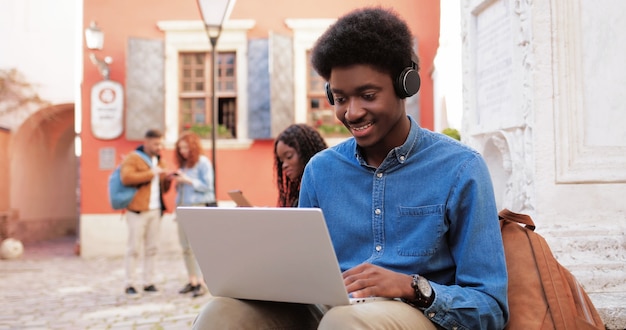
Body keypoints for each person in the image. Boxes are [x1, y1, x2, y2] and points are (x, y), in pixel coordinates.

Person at [192, 7, 509, 330]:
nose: (352, 112)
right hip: (330, 310)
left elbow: (490, 307)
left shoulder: (461, 168)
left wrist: (412, 287)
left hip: (415, 314)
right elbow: (301, 274)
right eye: (340, 99)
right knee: (221, 313)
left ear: (405, 85)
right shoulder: (320, 170)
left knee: (344, 323)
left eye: (367, 95)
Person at [120, 128, 172, 296]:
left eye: (161, 143)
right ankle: (130, 283)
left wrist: (168, 179)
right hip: (137, 211)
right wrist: (151, 173)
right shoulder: (133, 158)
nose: (159, 146)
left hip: (155, 210)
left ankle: (149, 282)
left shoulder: (160, 161)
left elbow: (163, 188)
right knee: (134, 248)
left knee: (152, 248)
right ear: (147, 142)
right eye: (156, 143)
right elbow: (126, 178)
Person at [172, 131, 216, 298]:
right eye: (180, 148)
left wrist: (187, 180)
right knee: (184, 247)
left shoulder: (203, 162)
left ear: (193, 147)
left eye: (185, 147)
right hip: (182, 206)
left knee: (196, 247)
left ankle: (202, 282)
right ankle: (192, 280)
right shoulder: (184, 165)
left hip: (198, 206)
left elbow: (208, 187)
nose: (182, 151)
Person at [273, 123, 328, 207]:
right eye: (281, 161)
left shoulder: (327, 190)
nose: (284, 165)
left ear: (305, 152)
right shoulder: (299, 195)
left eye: (289, 156)